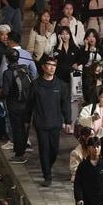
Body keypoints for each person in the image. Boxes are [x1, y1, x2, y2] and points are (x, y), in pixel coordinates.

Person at [30, 55, 71, 187]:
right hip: (41, 123)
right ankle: (47, 175)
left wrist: (68, 121)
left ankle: (49, 165)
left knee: (54, 149)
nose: (52, 68)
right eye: (49, 65)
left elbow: (65, 105)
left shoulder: (61, 85)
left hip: (55, 123)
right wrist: (26, 120)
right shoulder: (35, 85)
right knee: (44, 149)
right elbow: (29, 103)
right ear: (43, 67)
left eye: (54, 65)